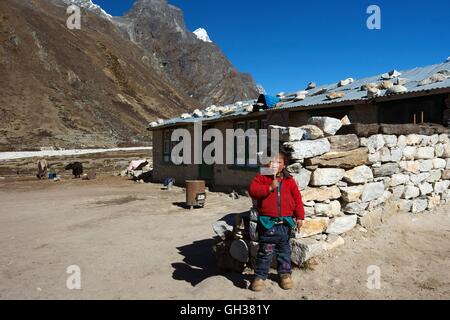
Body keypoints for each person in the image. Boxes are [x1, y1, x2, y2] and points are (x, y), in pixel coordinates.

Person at [248, 151, 305, 292]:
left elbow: (297, 199)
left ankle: (285, 275)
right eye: (272, 162)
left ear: (284, 165)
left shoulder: (289, 180)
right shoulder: (261, 177)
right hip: (268, 224)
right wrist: (269, 188)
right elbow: (253, 191)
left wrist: (300, 216)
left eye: (279, 162)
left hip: (285, 225)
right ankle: (260, 277)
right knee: (265, 253)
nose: (275, 165)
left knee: (284, 252)